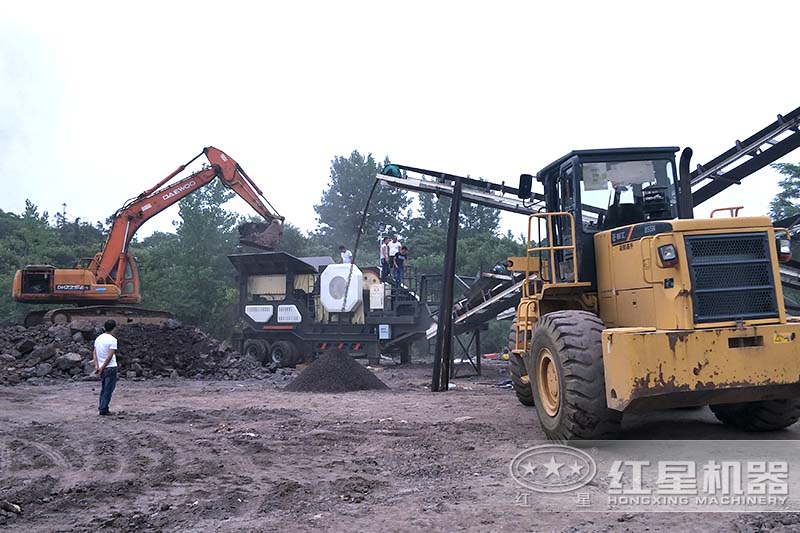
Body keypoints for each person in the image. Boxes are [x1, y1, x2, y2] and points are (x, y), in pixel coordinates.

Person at [93, 320, 118, 416]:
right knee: (108, 389)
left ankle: (102, 406)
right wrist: (103, 367)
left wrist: (97, 366)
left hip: (101, 368)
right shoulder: (112, 340)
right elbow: (110, 355)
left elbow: (94, 352)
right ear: (114, 328)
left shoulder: (98, 338)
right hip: (110, 367)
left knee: (104, 388)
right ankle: (104, 409)